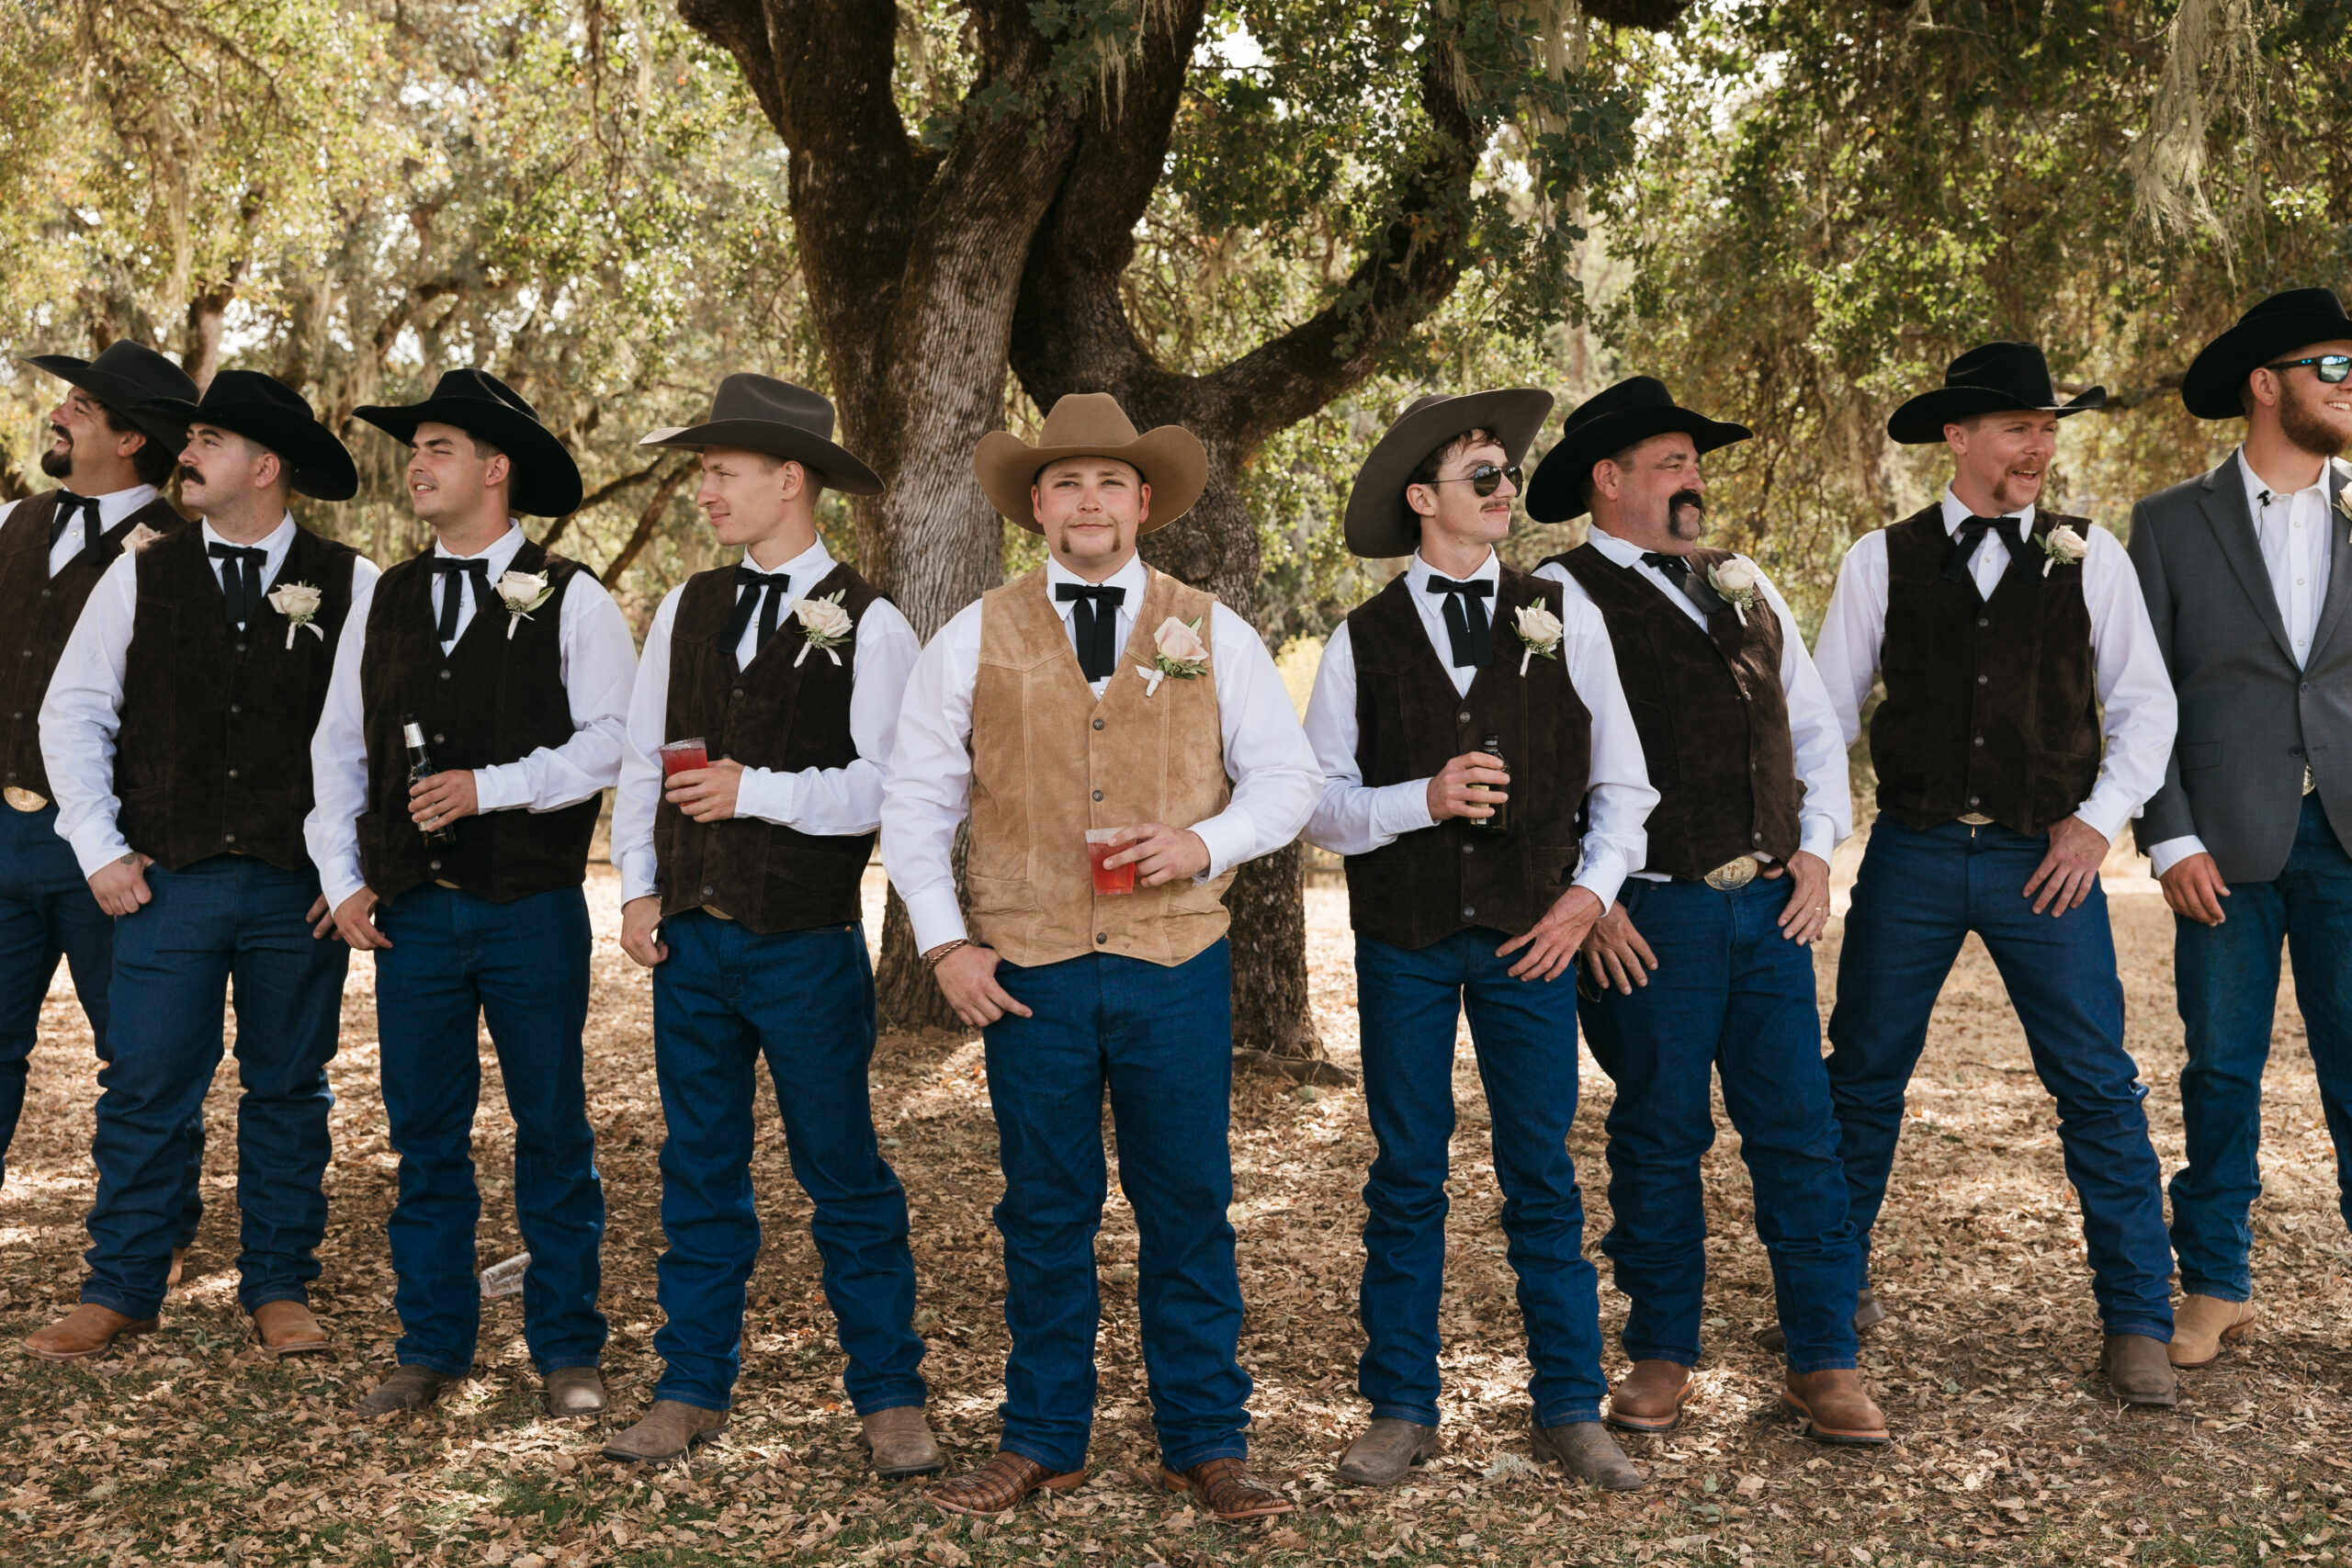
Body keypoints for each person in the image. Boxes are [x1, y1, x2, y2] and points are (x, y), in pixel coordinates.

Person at [883, 393, 1317, 1521]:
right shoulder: (971, 633)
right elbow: (915, 804)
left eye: (1109, 483)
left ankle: (1207, 1443)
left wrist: (1202, 841)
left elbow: (1289, 782)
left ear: (1143, 503)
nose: (1089, 500)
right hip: (1029, 971)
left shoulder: (1211, 628)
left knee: (1188, 1205)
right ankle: (1042, 1439)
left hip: (1175, 964)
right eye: (1067, 482)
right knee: (1043, 1209)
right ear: (1037, 504)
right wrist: (945, 947)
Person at [1301, 389, 1658, 1490]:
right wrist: (1422, 796)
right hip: (1403, 941)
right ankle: (1402, 1405)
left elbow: (1625, 785)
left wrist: (1585, 899)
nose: (1507, 490)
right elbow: (1316, 808)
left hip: (1529, 942)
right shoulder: (1357, 641)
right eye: (1484, 477)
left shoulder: (1563, 610)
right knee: (1406, 1175)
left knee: (1541, 1172)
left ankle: (1567, 1403)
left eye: (1508, 474)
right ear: (1422, 500)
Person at [1813, 342, 2181, 1405]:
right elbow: (1826, 721)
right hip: (1915, 852)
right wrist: (1814, 845)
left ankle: (2136, 1322)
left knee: (2098, 1085)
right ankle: (1829, 1301)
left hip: (2044, 859)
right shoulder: (1878, 559)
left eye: (2047, 428)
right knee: (1863, 1077)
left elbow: (2144, 705)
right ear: (1958, 437)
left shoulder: (2087, 553)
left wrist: (2095, 825)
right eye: (2018, 428)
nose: (2038, 447)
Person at [1522, 376, 1881, 1445]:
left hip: (1767, 910)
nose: (1694, 481)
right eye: (1673, 463)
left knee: (1799, 1135)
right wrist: (1585, 899)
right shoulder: (1557, 594)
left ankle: (1823, 1360)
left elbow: (1812, 735)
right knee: (1659, 1134)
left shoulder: (1743, 581)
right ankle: (1661, 1352)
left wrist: (1815, 856)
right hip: (1650, 920)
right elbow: (1536, 768)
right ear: (1610, 480)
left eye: (1694, 462)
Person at [604, 376, 934, 1472]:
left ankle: (890, 1396)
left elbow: (893, 789)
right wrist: (639, 888)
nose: (703, 490)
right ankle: (691, 1384)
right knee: (699, 1170)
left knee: (841, 1172)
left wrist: (762, 792)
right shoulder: (686, 609)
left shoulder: (872, 621)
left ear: (788, 479)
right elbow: (642, 761)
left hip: (803, 944)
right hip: (689, 943)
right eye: (702, 472)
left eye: (719, 471)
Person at [307, 369, 631, 1417]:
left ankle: (568, 1348)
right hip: (413, 917)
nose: (418, 464)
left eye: (439, 447)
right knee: (426, 1135)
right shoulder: (383, 594)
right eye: (416, 448)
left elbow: (614, 745)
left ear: (496, 472)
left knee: (553, 1130)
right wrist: (345, 878)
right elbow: (338, 754)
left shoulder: (573, 594)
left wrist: (493, 787)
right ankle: (431, 1343)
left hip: (530, 907)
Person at [29, 370, 370, 1361]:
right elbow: (74, 715)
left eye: (208, 440)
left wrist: (344, 868)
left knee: (290, 1088)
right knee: (144, 1084)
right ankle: (123, 1287)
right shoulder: (139, 574)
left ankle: (278, 1285)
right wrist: (97, 850)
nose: (186, 453)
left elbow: (370, 743)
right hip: (163, 883)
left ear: (264, 468)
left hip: (291, 891)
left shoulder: (355, 583)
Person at [2128, 287, 2352, 1370]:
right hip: (2222, 843)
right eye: (2333, 366)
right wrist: (2169, 836)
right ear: (2266, 384)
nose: (2350, 386)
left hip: (2349, 837)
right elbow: (2140, 693)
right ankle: (2213, 1283)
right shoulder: (2168, 523)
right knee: (2219, 1069)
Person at [0, 343, 201, 1262]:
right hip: (0, 836)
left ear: (129, 440)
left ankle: (145, 1244)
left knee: (143, 1057)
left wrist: (139, 838)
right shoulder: (16, 525)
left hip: (107, 850)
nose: (59, 415)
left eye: (81, 406)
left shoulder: (183, 552)